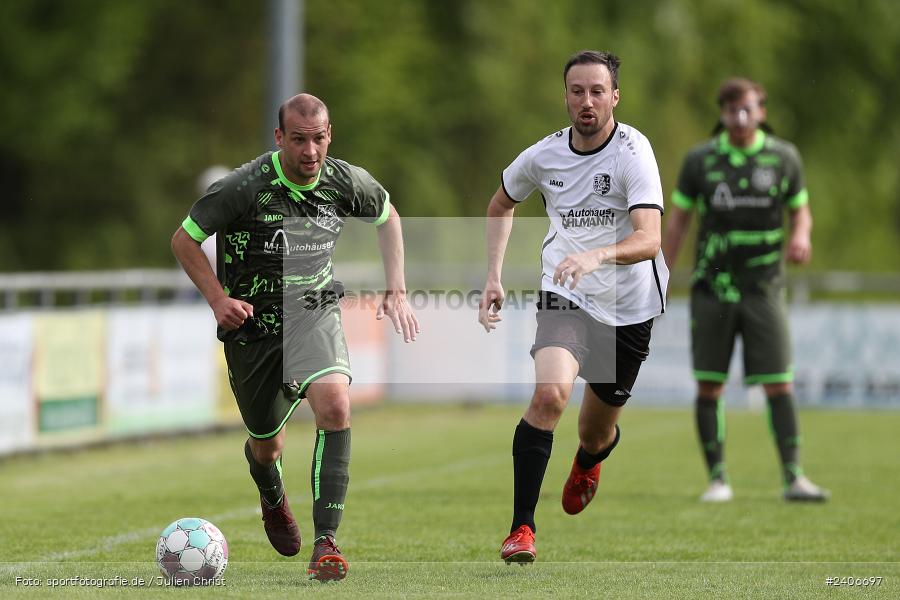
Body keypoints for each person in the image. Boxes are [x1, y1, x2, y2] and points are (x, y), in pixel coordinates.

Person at [171, 93, 419, 581]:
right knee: (267, 447)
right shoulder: (242, 187)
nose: (310, 151)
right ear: (279, 138)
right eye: (300, 140)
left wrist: (398, 288)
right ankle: (271, 493)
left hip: (314, 310)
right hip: (253, 329)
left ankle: (326, 542)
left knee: (336, 405)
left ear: (330, 136)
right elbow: (184, 240)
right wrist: (219, 300)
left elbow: (388, 216)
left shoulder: (346, 181)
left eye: (319, 139)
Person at [478, 50, 668, 564]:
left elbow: (649, 239)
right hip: (567, 292)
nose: (587, 101)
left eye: (597, 91)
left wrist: (600, 254)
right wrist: (493, 275)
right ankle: (521, 528)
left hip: (629, 307)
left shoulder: (634, 151)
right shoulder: (543, 156)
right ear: (565, 96)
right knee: (549, 397)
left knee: (594, 430)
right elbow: (501, 203)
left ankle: (590, 459)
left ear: (615, 97)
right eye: (577, 91)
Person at [662, 78, 828, 503]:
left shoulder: (784, 157)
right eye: (732, 110)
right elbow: (679, 221)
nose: (740, 117)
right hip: (713, 288)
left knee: (778, 382)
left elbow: (801, 211)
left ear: (761, 112)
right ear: (722, 113)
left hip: (764, 289)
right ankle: (718, 480)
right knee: (710, 385)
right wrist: (658, 270)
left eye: (748, 109)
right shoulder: (700, 160)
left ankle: (794, 478)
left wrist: (802, 236)